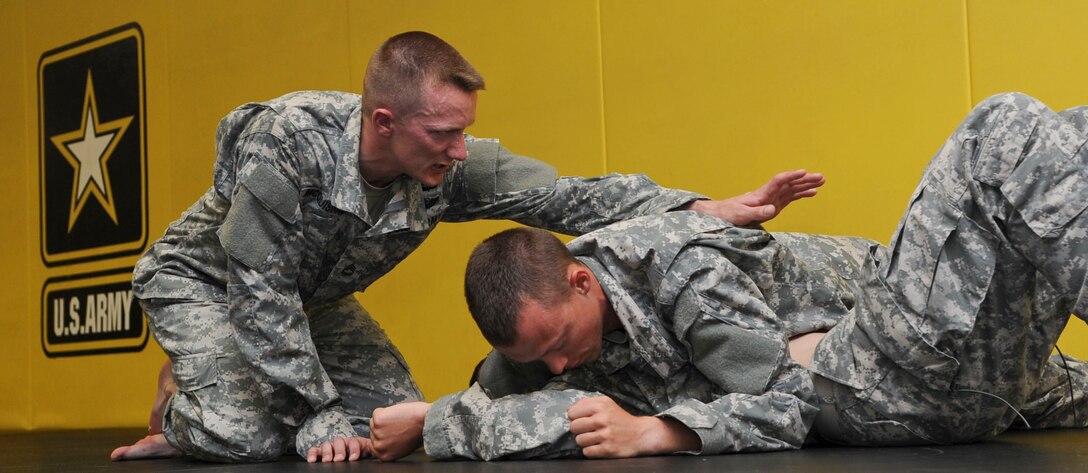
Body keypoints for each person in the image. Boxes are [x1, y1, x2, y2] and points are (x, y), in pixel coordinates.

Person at [109, 31, 824, 464]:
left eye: (464, 131)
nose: (459, 149)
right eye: (442, 133)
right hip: (210, 282)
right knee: (255, 435)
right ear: (383, 122)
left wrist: (700, 207)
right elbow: (258, 287)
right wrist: (314, 409)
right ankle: (189, 404)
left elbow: (567, 197)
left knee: (385, 429)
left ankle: (223, 387)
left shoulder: (445, 163)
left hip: (313, 300)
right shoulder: (288, 145)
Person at [367, 92, 1088, 461]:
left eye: (557, 345)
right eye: (539, 359)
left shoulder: (679, 266)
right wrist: (432, 419)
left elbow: (595, 198)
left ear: (582, 281)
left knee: (1067, 134)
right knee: (1001, 128)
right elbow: (790, 404)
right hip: (884, 379)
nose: (557, 367)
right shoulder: (548, 345)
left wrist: (432, 422)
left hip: (967, 370)